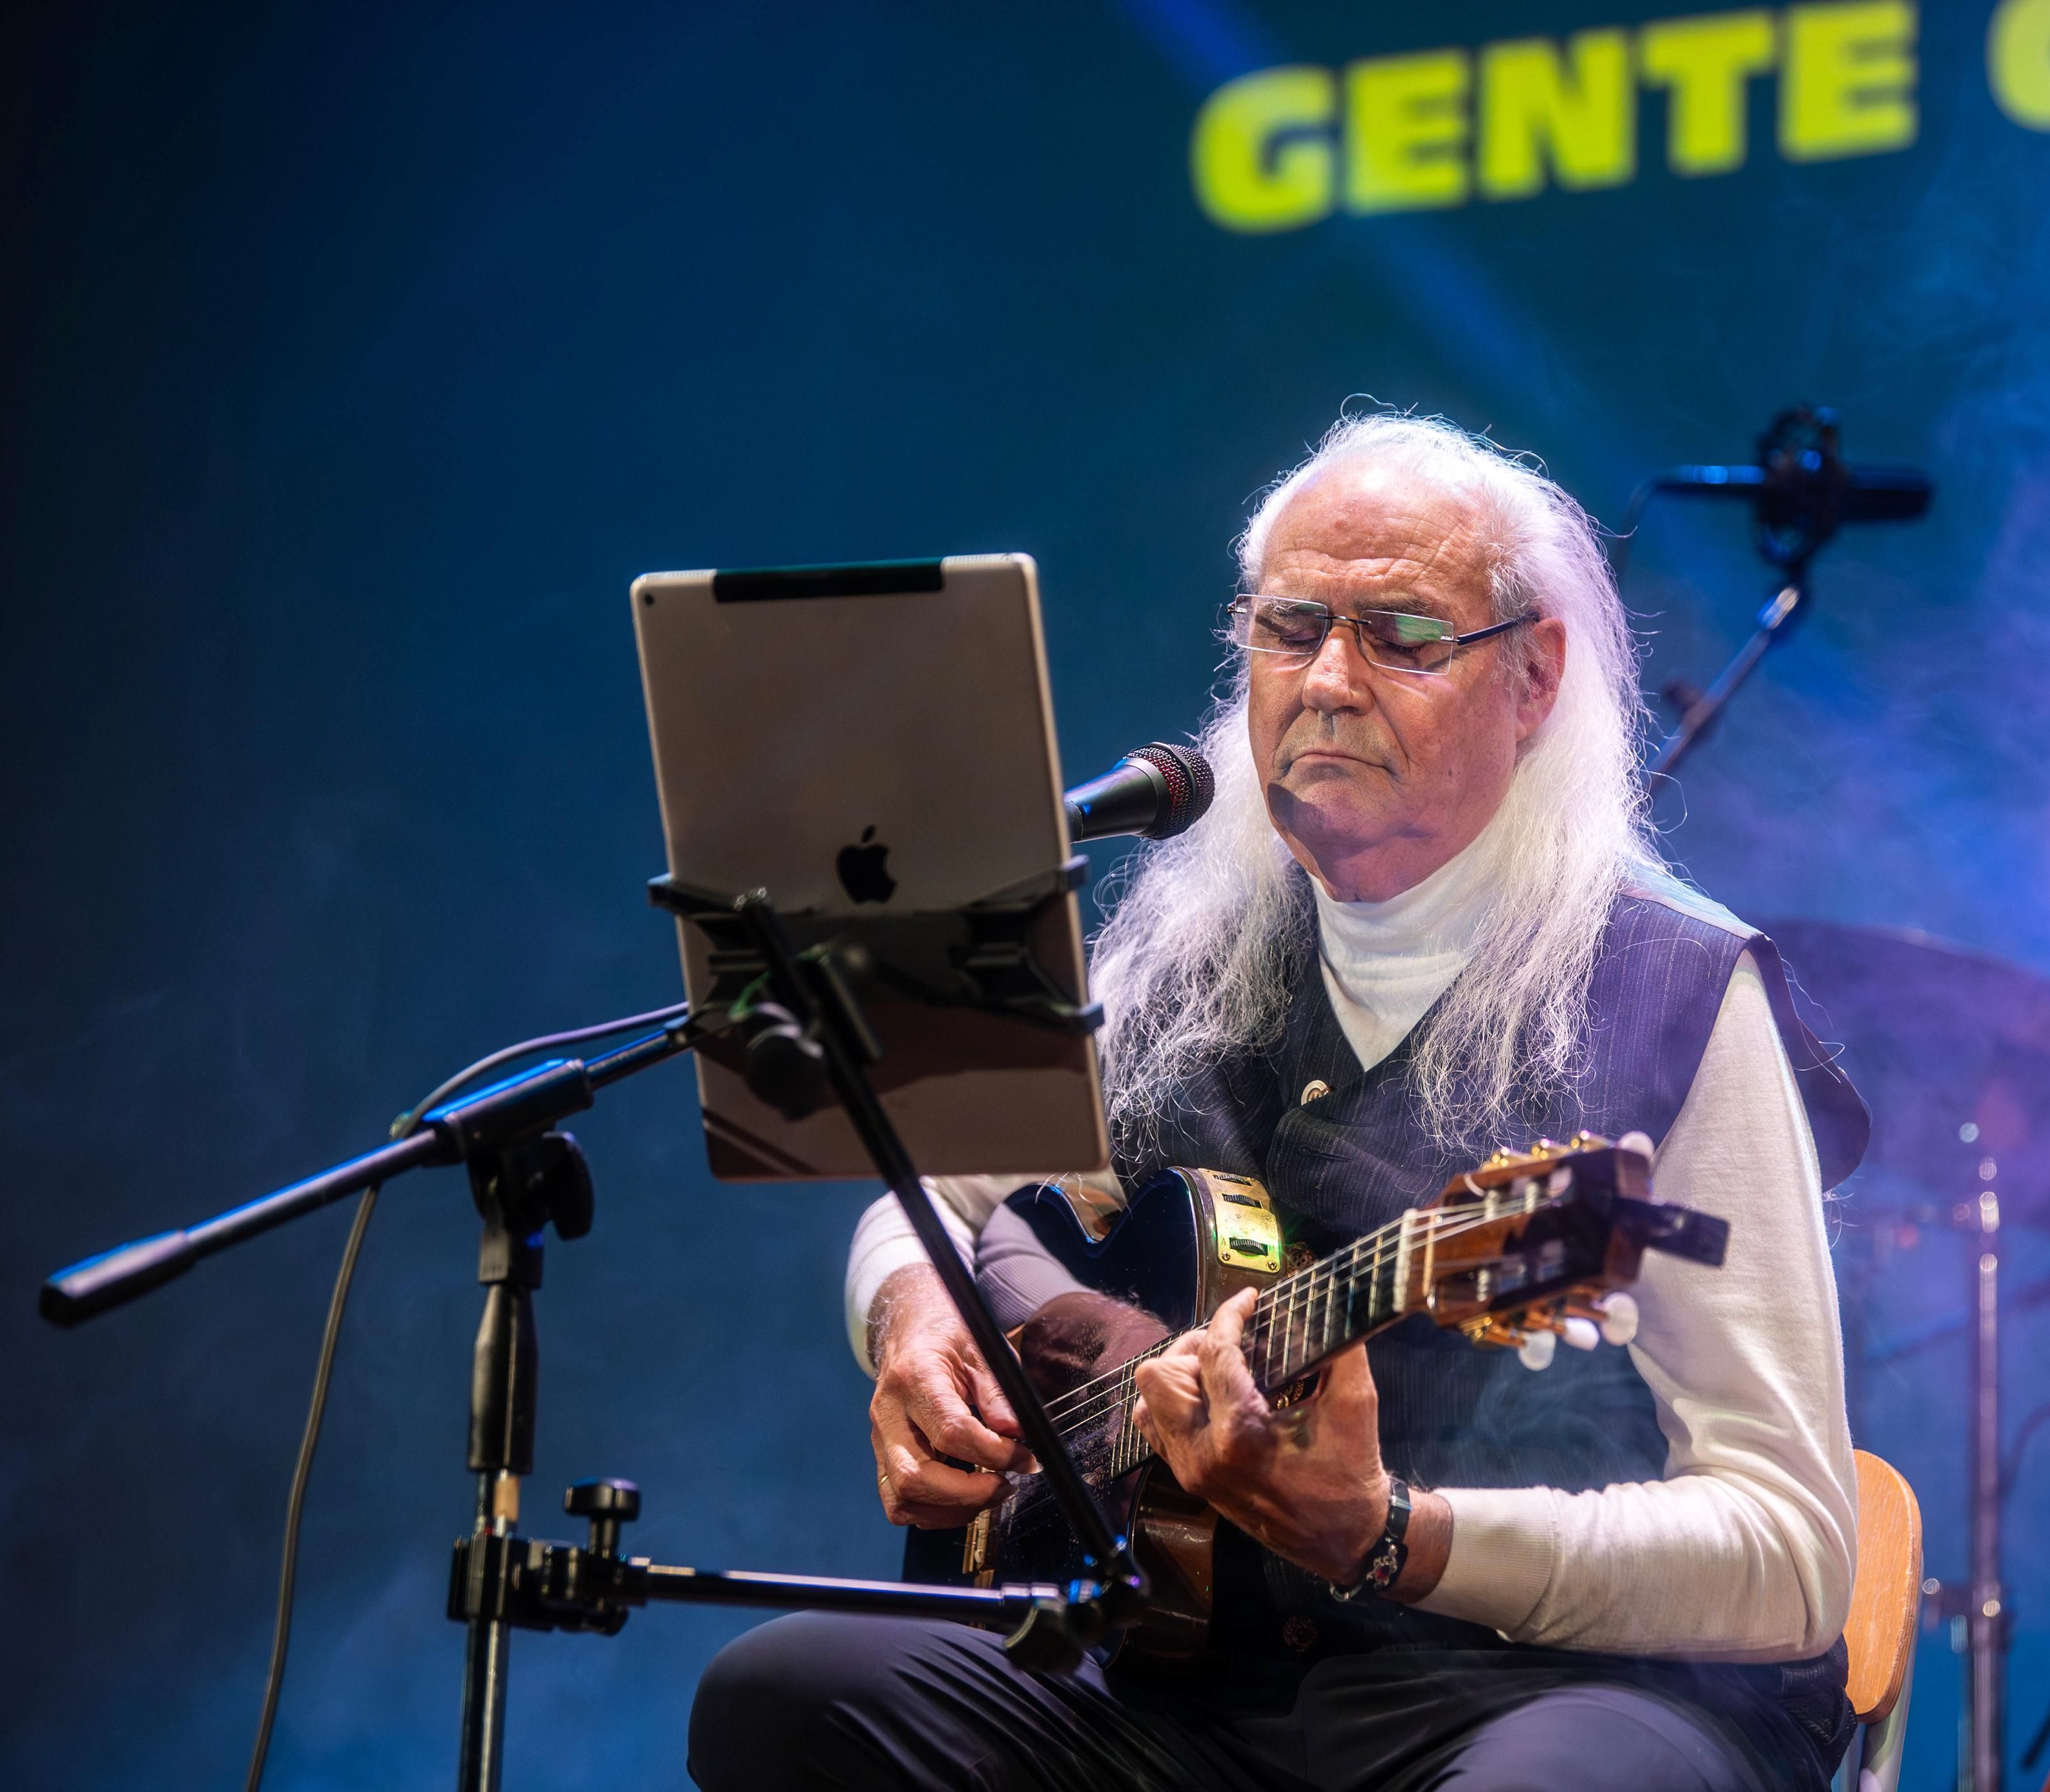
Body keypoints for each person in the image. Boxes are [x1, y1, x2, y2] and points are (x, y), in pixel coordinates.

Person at [687, 414, 1869, 1791]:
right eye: (1290, 625)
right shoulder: (1182, 948)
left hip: (1541, 1692)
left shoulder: (1678, 988)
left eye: (1401, 635)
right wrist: (912, 1311)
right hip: (1188, 1684)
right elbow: (932, 1192)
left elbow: (1792, 1549)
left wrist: (1397, 1535)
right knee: (783, 1693)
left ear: (1534, 675)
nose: (1327, 680)